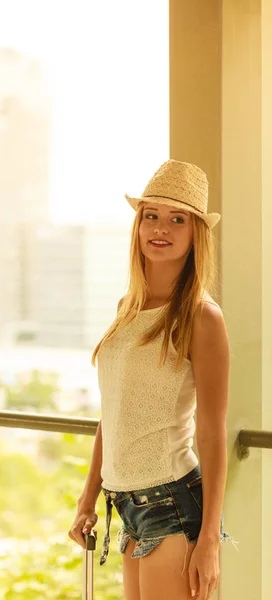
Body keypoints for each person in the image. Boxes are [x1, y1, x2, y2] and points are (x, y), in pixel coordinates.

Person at [68, 159, 239, 600]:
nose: (160, 228)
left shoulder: (202, 317)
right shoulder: (127, 307)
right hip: (127, 505)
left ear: (195, 234)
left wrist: (209, 540)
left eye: (177, 219)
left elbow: (212, 433)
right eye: (151, 216)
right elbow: (114, 414)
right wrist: (88, 498)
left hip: (173, 505)